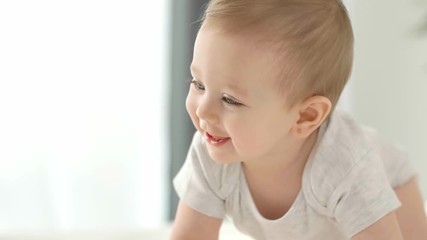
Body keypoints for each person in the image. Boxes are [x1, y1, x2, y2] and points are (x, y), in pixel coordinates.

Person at [170, 0, 427, 239]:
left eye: (230, 99)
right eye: (198, 84)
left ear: (306, 116)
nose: (203, 111)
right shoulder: (210, 155)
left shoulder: (346, 166)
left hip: (391, 186)